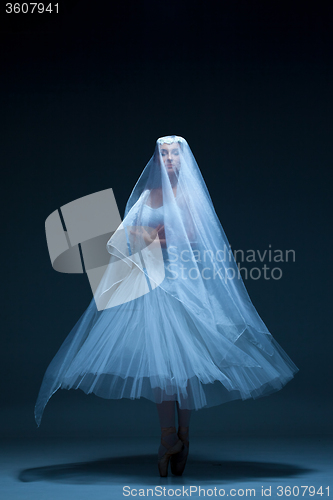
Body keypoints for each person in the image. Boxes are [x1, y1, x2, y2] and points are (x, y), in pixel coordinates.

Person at [34, 135, 299, 477]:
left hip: (183, 285)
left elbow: (188, 236)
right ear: (157, 159)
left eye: (175, 153)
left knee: (186, 365)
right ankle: (168, 437)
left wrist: (147, 235)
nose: (170, 158)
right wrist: (145, 235)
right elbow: (124, 235)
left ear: (182, 158)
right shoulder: (147, 195)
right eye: (164, 153)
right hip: (150, 284)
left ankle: (182, 436)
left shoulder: (187, 195)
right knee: (161, 365)